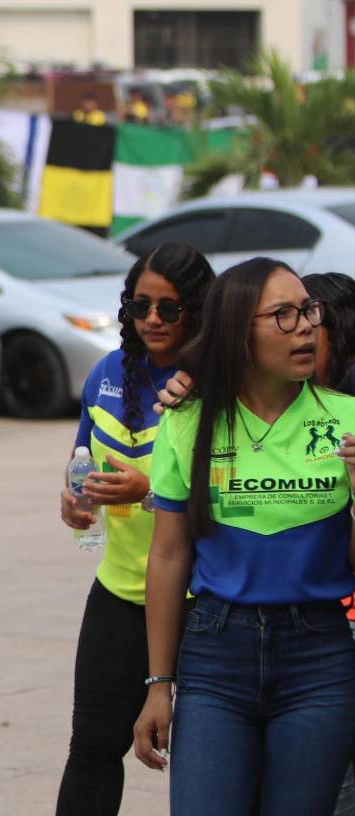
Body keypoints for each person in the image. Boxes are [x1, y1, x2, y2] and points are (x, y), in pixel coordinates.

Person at [132, 258, 355, 814]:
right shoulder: (187, 419)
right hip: (215, 653)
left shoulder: (347, 419)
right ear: (237, 330)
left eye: (308, 311)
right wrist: (159, 684)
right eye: (283, 315)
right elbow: (168, 554)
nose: (306, 328)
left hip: (319, 655)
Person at [56, 242, 214, 815]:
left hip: (205, 601)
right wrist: (74, 501)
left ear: (198, 310)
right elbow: (82, 459)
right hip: (120, 591)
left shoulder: (218, 384)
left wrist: (148, 492)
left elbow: (235, 501)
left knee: (207, 764)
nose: (151, 319)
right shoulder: (107, 373)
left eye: (168, 308)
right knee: (93, 748)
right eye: (139, 305)